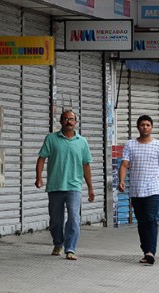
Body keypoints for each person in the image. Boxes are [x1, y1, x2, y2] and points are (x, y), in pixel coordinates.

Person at [35, 110, 95, 261]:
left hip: (74, 186)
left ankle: (70, 248)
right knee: (56, 220)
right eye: (66, 119)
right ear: (61, 121)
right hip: (55, 185)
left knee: (74, 217)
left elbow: (86, 165)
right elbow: (41, 158)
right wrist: (39, 177)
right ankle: (58, 243)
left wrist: (90, 188)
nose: (69, 121)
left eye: (72, 119)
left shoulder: (82, 142)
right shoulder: (51, 139)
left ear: (76, 122)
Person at [117, 114, 159, 265]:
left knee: (151, 219)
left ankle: (150, 252)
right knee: (141, 221)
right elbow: (124, 164)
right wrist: (121, 180)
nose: (145, 127)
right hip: (136, 190)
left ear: (152, 127)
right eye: (142, 125)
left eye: (148, 125)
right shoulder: (130, 145)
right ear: (138, 127)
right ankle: (145, 250)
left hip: (153, 189)